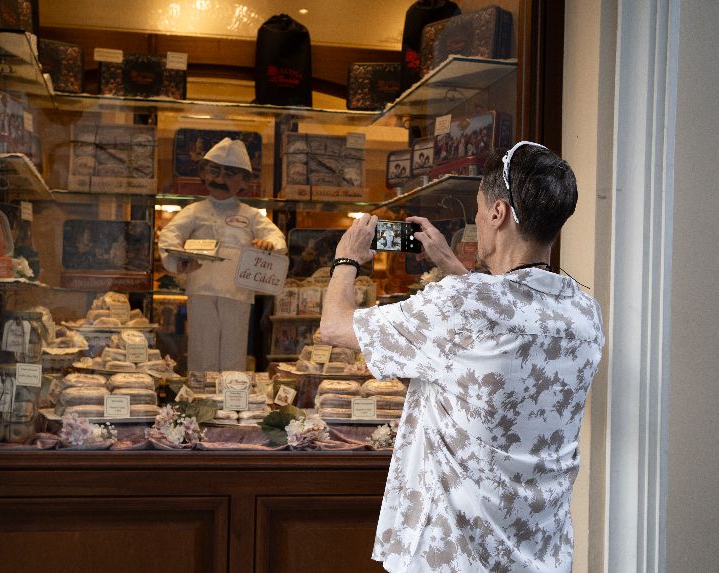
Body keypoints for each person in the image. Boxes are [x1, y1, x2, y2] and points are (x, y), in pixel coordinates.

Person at [321, 142, 605, 572]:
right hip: (542, 553)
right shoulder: (584, 313)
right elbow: (498, 323)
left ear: (498, 213)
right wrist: (451, 263)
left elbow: (335, 326)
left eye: (478, 209)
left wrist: (347, 258)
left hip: (453, 554)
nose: (477, 221)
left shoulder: (462, 305)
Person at [158, 137, 287, 372]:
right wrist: (179, 260)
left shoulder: (250, 215)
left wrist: (268, 245)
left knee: (234, 346)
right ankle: (200, 397)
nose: (219, 180)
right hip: (201, 287)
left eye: (229, 175)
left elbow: (276, 237)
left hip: (237, 291)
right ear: (204, 174)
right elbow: (170, 234)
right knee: (202, 343)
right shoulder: (195, 211)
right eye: (214, 173)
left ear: (243, 182)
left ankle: (231, 397)